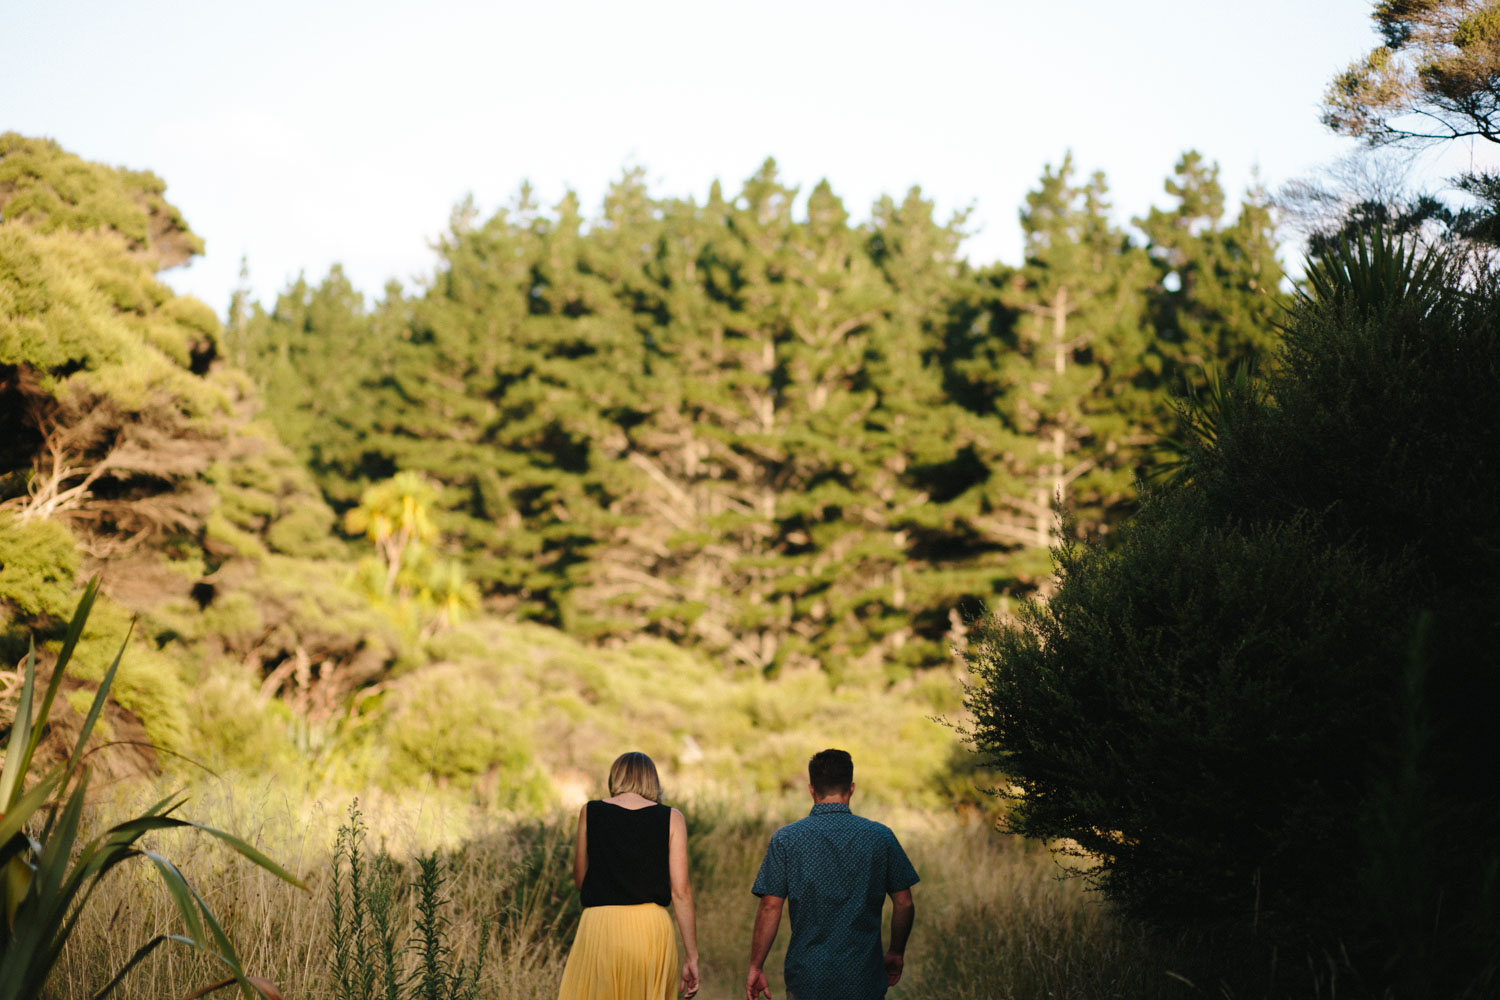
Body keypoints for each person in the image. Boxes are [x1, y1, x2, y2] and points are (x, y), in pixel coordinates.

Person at [745, 748, 918, 1000]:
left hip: (808, 978)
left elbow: (770, 907)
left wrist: (756, 965)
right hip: (864, 978)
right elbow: (904, 902)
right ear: (852, 788)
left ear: (811, 789)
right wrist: (896, 952)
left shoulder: (786, 839)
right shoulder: (880, 837)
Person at [558, 751, 700, 1000]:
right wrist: (692, 956)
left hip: (599, 926)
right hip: (650, 930)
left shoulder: (590, 811)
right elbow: (681, 892)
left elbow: (581, 880)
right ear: (651, 780)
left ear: (616, 777)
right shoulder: (672, 819)